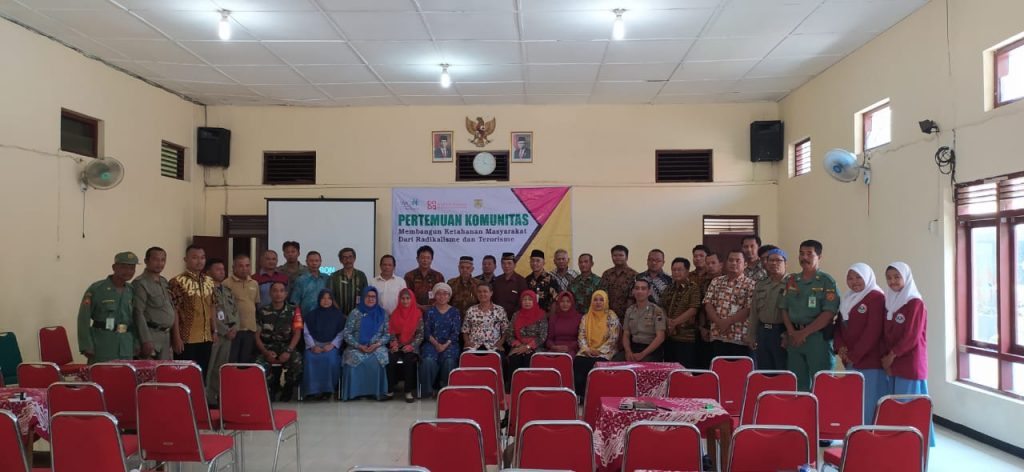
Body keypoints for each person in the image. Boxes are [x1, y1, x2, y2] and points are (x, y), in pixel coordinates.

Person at [881, 262, 934, 446]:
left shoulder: (915, 302)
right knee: (896, 406)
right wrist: (888, 358)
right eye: (889, 278)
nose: (892, 281)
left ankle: (913, 445)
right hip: (893, 362)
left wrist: (891, 356)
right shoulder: (890, 301)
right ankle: (898, 443)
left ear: (906, 277)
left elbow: (912, 336)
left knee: (910, 407)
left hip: (909, 363)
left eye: (897, 277)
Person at [779, 240, 838, 392]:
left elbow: (829, 312)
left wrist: (803, 333)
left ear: (819, 257)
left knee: (822, 384)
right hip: (794, 338)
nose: (804, 257)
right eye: (801, 253)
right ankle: (801, 408)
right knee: (798, 384)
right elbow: (783, 308)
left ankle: (823, 409)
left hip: (817, 339)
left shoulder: (827, 282)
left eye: (809, 254)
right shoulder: (792, 280)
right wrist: (792, 332)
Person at [834, 263, 887, 424]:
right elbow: (839, 325)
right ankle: (855, 432)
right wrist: (840, 347)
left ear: (867, 277)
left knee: (869, 402)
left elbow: (873, 331)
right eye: (850, 278)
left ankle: (868, 433)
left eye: (858, 277)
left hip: (869, 360)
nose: (854, 281)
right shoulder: (847, 298)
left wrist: (854, 354)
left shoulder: (876, 297)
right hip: (851, 359)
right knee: (854, 399)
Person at [78, 252, 140, 364]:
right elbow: (83, 318)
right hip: (103, 343)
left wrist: (136, 342)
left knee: (125, 373)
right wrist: (86, 345)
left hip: (126, 344)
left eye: (132, 268)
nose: (128, 271)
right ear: (114, 267)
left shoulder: (131, 291)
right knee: (101, 373)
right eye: (124, 267)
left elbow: (134, 320)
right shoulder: (97, 289)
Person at [169, 245, 215, 374]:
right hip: (186, 338)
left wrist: (214, 330)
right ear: (186, 259)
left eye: (202, 258)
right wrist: (176, 338)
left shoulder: (209, 281)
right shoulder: (177, 281)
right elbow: (174, 310)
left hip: (206, 337)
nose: (199, 261)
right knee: (184, 374)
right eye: (195, 258)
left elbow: (212, 305)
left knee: (202, 373)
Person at [255, 282, 303, 402]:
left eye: (281, 291)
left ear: (286, 294)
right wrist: (265, 352)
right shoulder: (262, 311)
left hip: (287, 346)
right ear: (270, 293)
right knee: (258, 366)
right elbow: (256, 336)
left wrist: (288, 351)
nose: (278, 294)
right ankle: (270, 389)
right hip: (267, 347)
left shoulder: (294, 310)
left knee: (297, 362)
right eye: (275, 291)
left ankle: (288, 389)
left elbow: (297, 333)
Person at [341, 287, 390, 401]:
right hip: (356, 346)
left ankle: (376, 393)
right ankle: (354, 393)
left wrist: (376, 344)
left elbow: (387, 334)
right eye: (368, 296)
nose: (371, 299)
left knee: (377, 359)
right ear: (363, 298)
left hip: (376, 347)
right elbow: (347, 334)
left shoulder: (382, 313)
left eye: (373, 297)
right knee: (352, 358)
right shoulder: (355, 313)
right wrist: (358, 346)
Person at [704, 250, 756, 358]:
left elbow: (749, 309)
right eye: (731, 260)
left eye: (738, 261)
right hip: (717, 335)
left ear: (745, 264)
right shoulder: (716, 281)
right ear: (726, 263)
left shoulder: (751, 284)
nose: (733, 263)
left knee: (739, 368)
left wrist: (727, 322)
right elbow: (708, 304)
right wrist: (719, 323)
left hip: (739, 337)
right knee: (718, 367)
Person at [572, 290, 621, 395]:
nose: (598, 302)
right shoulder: (586, 317)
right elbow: (581, 335)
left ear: (606, 301)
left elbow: (613, 337)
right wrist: (586, 350)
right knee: (578, 361)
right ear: (591, 302)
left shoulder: (611, 316)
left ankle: (596, 395)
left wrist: (599, 351)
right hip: (587, 350)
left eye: (601, 300)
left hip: (606, 351)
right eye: (595, 300)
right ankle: (581, 395)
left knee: (598, 364)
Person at [748, 248, 789, 370]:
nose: (774, 263)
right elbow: (754, 312)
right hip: (763, 332)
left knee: (782, 369)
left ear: (785, 263)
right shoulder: (761, 284)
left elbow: (795, 312)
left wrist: (788, 334)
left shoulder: (792, 283)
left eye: (778, 260)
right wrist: (751, 335)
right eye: (770, 260)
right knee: (764, 370)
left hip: (781, 332)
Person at [132, 247, 176, 360]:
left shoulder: (164, 281)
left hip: (165, 336)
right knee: (148, 369)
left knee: (164, 370)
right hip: (150, 335)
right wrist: (145, 340)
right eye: (155, 259)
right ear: (146, 261)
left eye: (163, 260)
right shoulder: (141, 283)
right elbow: (138, 313)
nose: (159, 263)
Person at [302, 290, 345, 401]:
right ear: (319, 300)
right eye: (323, 298)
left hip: (331, 346)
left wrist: (332, 345)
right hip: (314, 346)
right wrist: (312, 346)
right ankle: (312, 390)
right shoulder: (311, 315)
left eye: (329, 298)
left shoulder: (338, 315)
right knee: (309, 358)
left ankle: (327, 390)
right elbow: (306, 333)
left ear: (332, 300)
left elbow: (341, 333)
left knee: (330, 359)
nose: (326, 301)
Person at [419, 283, 461, 398]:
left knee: (449, 361)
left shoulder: (455, 312)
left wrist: (444, 345)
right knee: (428, 360)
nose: (442, 296)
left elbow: (455, 333)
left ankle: (446, 390)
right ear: (434, 295)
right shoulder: (430, 312)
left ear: (449, 296)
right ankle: (427, 390)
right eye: (438, 294)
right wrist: (437, 344)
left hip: (450, 344)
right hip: (432, 343)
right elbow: (427, 332)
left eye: (445, 294)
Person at [205, 258, 238, 405]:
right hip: (215, 333)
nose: (221, 272)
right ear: (208, 272)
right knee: (210, 366)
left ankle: (215, 397)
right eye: (217, 269)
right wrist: (224, 330)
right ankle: (206, 397)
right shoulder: (206, 290)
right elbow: (210, 313)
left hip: (229, 334)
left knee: (220, 366)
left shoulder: (227, 290)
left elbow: (235, 310)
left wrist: (235, 327)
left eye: (223, 269)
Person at [661, 257, 701, 367]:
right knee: (669, 368)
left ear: (687, 271)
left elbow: (693, 309)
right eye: (674, 270)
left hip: (685, 337)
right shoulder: (668, 288)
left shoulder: (693, 288)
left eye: (679, 270)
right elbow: (661, 307)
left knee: (684, 369)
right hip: (669, 336)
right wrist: (667, 321)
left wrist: (674, 322)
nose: (676, 272)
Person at [388, 288, 424, 402]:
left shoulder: (417, 314)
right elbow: (391, 332)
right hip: (397, 345)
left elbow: (420, 334)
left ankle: (408, 391)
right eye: (402, 298)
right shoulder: (395, 313)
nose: (405, 301)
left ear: (412, 299)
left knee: (409, 360)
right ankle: (390, 390)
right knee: (390, 359)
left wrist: (411, 346)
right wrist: (394, 344)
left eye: (408, 298)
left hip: (412, 346)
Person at [224, 254, 261, 363]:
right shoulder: (226, 283)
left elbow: (255, 304)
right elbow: (223, 308)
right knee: (232, 361)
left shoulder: (254, 283)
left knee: (246, 362)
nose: (244, 269)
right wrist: (227, 328)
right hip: (234, 329)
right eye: (240, 266)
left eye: (247, 265)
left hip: (250, 329)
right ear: (234, 267)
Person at [621, 280, 667, 361]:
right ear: (633, 291)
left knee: (641, 365)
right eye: (637, 288)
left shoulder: (656, 311)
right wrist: (628, 351)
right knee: (614, 363)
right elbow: (626, 334)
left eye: (643, 288)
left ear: (649, 292)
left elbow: (660, 337)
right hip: (633, 347)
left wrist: (643, 354)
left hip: (651, 350)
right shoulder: (630, 310)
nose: (639, 291)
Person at [507, 291, 549, 380]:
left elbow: (542, 336)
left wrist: (528, 346)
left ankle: (530, 383)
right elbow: (509, 335)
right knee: (515, 358)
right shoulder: (516, 315)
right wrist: (519, 345)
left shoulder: (541, 315)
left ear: (534, 301)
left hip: (535, 347)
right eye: (524, 300)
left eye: (530, 300)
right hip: (518, 346)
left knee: (529, 358)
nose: (527, 302)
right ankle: (514, 385)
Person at [695, 250, 723, 369]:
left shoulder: (727, 282)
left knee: (720, 364)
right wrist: (702, 327)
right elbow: (701, 308)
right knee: (704, 364)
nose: (710, 266)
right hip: (706, 329)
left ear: (721, 264)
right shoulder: (703, 283)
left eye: (713, 263)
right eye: (708, 263)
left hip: (722, 329)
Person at [462, 283, 509, 351]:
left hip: (494, 346)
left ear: (491, 293)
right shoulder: (471, 310)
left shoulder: (499, 310)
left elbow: (506, 330)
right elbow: (465, 330)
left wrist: (500, 343)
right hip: (473, 346)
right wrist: (467, 342)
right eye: (479, 292)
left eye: (485, 291)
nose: (482, 294)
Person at [599, 245, 638, 321]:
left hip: (628, 316)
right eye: (615, 255)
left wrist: (628, 315)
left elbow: (633, 297)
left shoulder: (633, 275)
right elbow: (603, 294)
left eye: (621, 255)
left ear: (626, 257)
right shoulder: (607, 274)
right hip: (608, 316)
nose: (618, 258)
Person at [329, 247, 368, 316]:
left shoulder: (361, 275)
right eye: (344, 257)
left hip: (357, 315)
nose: (348, 260)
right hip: (338, 315)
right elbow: (331, 296)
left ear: (354, 258)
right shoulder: (334, 276)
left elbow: (365, 295)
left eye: (350, 257)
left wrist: (358, 312)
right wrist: (339, 313)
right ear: (340, 260)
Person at [404, 245, 445, 310]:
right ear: (417, 259)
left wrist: (433, 306)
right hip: (414, 310)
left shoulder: (438, 276)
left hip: (434, 310)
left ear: (432, 259)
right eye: (422, 257)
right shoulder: (409, 276)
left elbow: (442, 295)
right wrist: (420, 307)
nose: (425, 260)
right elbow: (406, 296)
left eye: (428, 258)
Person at [290, 251, 328, 316]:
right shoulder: (300, 280)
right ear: (306, 262)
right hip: (306, 317)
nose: (314, 263)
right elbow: (295, 302)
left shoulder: (326, 278)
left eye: (316, 261)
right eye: (311, 261)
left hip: (324, 316)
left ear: (320, 262)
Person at [492, 252, 527, 317]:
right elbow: (493, 300)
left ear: (515, 265)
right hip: (497, 316)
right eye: (503, 263)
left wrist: (514, 316)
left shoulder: (521, 281)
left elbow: (523, 301)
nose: (506, 266)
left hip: (515, 317)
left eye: (509, 263)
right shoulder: (497, 280)